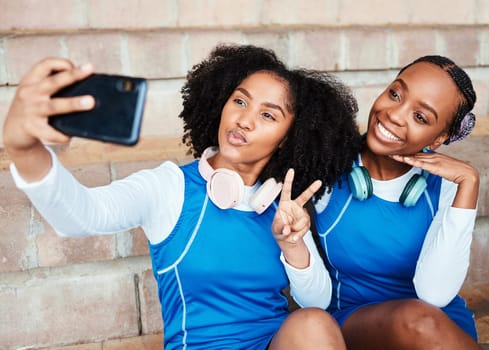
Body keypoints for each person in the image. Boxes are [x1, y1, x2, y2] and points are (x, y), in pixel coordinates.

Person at [3, 44, 362, 349]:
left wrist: (293, 244)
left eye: (268, 114)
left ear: (288, 137)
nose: (244, 120)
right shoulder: (169, 187)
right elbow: (81, 216)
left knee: (314, 323)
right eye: (240, 101)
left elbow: (318, 302)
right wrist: (25, 149)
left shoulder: (281, 205)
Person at [313, 55, 481, 349]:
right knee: (417, 321)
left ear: (440, 137)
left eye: (420, 117)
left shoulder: (448, 184)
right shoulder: (327, 165)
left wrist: (469, 184)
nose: (394, 115)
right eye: (395, 94)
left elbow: (436, 294)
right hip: (355, 323)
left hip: (436, 324)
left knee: (422, 320)